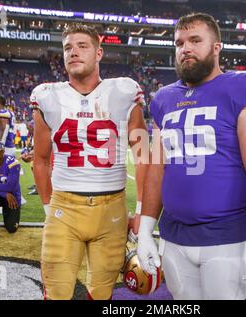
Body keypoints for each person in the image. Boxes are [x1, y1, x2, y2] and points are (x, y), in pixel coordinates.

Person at [136, 13, 246, 300]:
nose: (185, 48)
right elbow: (156, 169)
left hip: (226, 238)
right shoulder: (163, 98)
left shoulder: (244, 88)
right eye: (179, 43)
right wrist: (145, 231)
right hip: (173, 236)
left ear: (216, 47)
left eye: (195, 40)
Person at [31, 23, 149, 300]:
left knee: (102, 293)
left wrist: (142, 209)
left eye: (82, 46)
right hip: (64, 208)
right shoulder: (47, 96)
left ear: (99, 53)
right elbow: (40, 159)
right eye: (68, 48)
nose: (73, 52)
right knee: (56, 292)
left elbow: (144, 154)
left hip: (112, 211)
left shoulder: (123, 91)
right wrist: (49, 209)